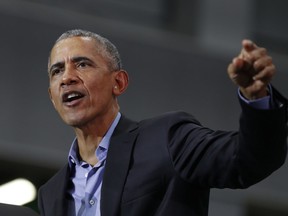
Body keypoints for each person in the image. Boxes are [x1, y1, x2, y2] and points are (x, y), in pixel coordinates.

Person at [38, 29, 288, 216]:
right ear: (51, 97)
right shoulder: (50, 194)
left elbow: (247, 160)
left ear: (119, 83)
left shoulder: (167, 139)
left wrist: (256, 99)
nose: (67, 78)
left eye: (82, 64)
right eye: (57, 71)